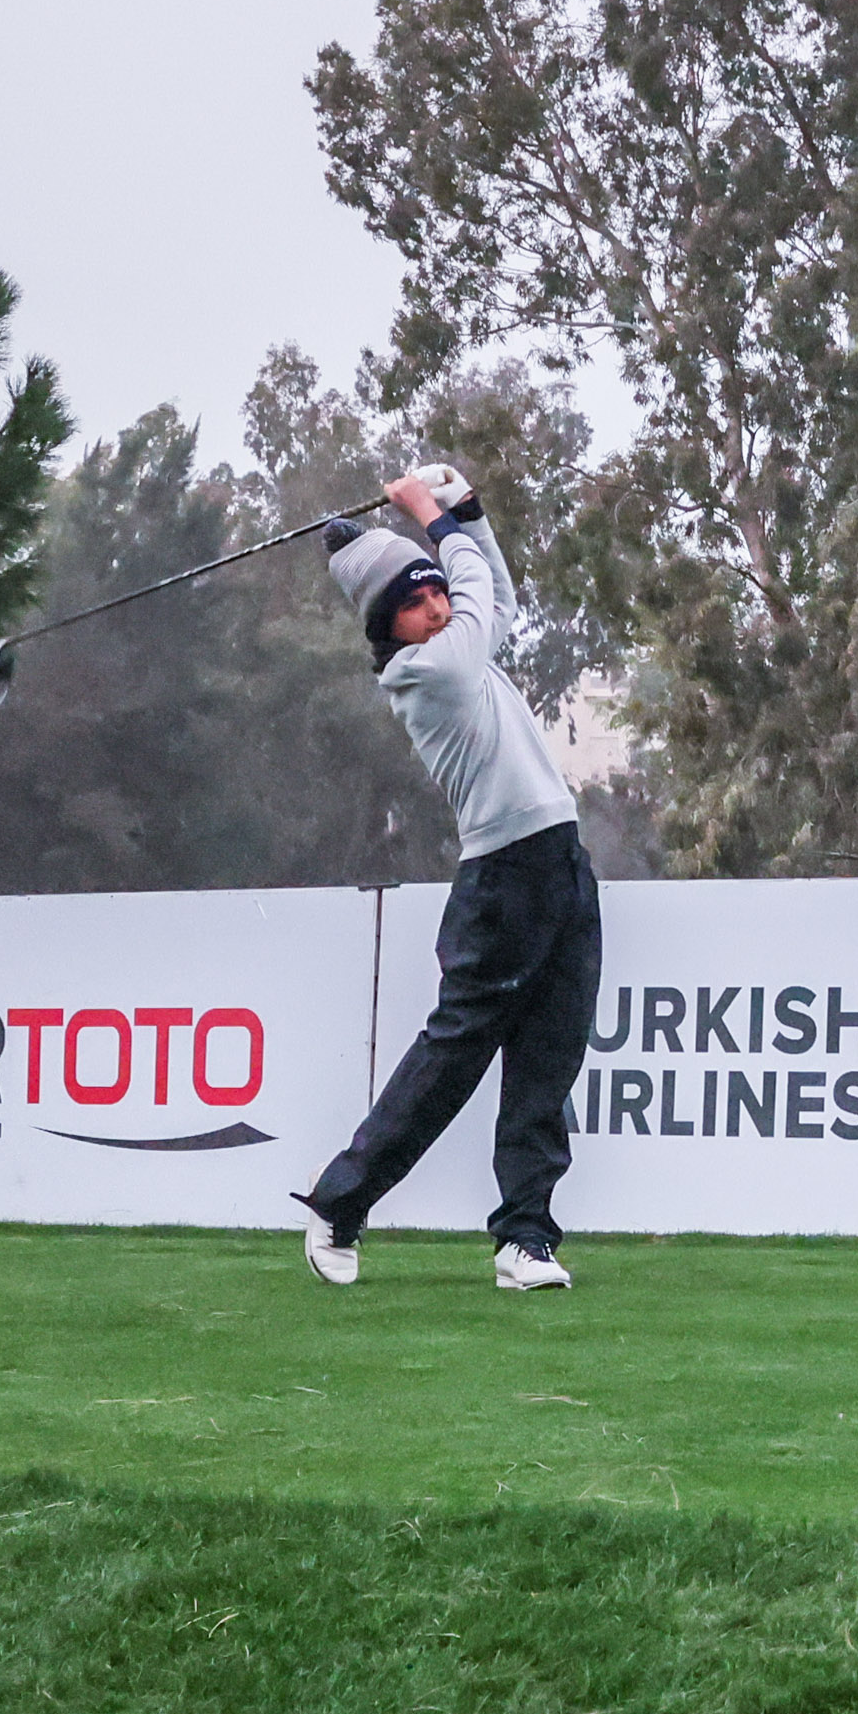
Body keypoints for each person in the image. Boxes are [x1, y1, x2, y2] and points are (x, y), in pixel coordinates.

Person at [292, 462, 600, 1292]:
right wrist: (432, 516)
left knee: (549, 1058)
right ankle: (339, 1201)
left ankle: (525, 1239)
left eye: (434, 592)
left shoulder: (459, 645)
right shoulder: (424, 672)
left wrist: (469, 511)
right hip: (502, 880)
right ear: (387, 624)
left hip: (560, 862)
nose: (434, 606)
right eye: (415, 601)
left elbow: (496, 596)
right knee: (451, 1065)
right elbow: (474, 593)